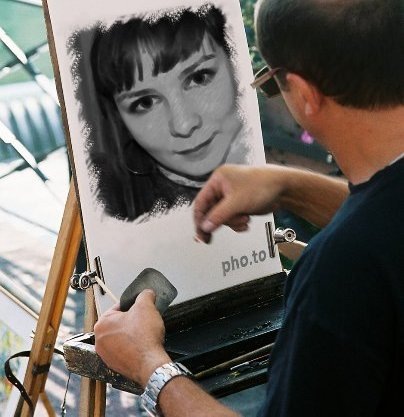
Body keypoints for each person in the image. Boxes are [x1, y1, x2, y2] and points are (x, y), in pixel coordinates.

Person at [94, 0, 404, 416]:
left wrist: (150, 367)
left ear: (306, 94)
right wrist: (290, 187)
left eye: (271, 83)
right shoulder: (365, 247)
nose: (185, 124)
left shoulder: (338, 274)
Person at [86, 5, 248, 222]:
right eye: (145, 103)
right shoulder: (101, 199)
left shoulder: (284, 153)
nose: (184, 125)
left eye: (199, 78)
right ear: (119, 119)